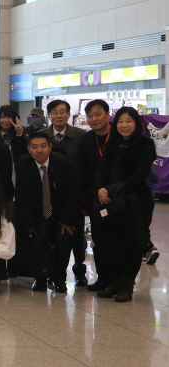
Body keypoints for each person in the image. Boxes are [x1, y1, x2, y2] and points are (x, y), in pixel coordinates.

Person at [94, 107, 156, 302]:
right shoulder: (112, 144)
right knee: (111, 243)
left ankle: (127, 285)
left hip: (136, 201)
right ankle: (114, 282)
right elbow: (102, 171)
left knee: (132, 244)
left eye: (129, 121)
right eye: (120, 121)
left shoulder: (145, 145)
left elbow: (140, 175)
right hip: (112, 202)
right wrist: (101, 188)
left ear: (136, 123)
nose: (124, 125)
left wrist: (114, 188)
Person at [14, 132, 80, 293]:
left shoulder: (63, 163)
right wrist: (28, 224)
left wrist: (66, 219)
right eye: (34, 147)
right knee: (39, 239)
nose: (39, 150)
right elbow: (21, 197)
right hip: (38, 216)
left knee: (62, 240)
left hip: (61, 215)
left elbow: (74, 192)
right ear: (29, 149)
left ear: (50, 147)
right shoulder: (23, 164)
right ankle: (41, 277)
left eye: (43, 146)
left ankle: (59, 278)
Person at [42, 99, 90, 286]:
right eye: (55, 112)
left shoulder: (81, 136)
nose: (59, 115)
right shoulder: (42, 136)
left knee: (76, 238)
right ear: (50, 115)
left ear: (69, 114)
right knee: (52, 236)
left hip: (74, 195)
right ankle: (52, 272)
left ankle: (79, 271)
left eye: (63, 111)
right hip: (49, 195)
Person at [76, 99, 113, 291]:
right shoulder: (86, 140)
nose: (94, 119)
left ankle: (121, 281)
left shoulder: (119, 136)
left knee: (121, 240)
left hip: (119, 195)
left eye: (98, 114)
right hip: (95, 197)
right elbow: (81, 171)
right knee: (99, 239)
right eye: (89, 115)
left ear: (108, 114)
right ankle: (103, 278)